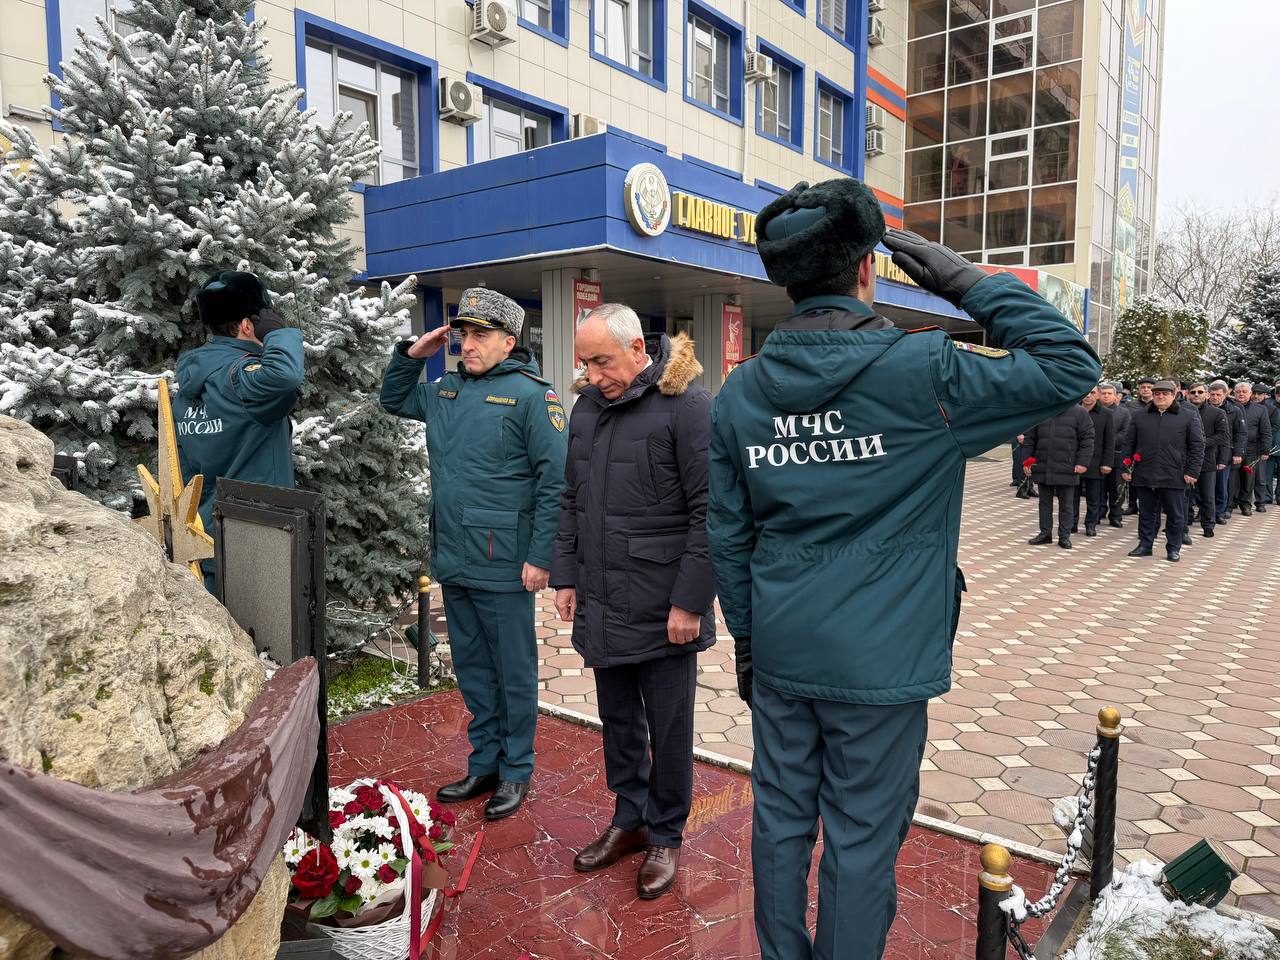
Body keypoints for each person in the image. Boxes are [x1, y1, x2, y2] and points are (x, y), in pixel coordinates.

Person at [706, 177, 1100, 960]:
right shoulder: (924, 370)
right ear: (867, 270)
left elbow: (729, 535)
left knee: (780, 824)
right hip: (881, 662)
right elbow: (1068, 364)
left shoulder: (742, 390)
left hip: (784, 649)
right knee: (859, 840)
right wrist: (965, 279)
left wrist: (750, 643)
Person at [379, 288, 567, 820]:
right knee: (472, 666)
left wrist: (540, 556)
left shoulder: (535, 397)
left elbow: (555, 481)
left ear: (510, 342)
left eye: (481, 335)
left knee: (512, 670)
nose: (468, 345)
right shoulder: (446, 392)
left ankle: (516, 769)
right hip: (455, 553)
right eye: (463, 335)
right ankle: (485, 761)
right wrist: (411, 355)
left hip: (505, 559)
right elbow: (393, 400)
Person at [550, 304, 715, 901]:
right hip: (602, 597)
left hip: (664, 605)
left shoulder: (688, 407)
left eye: (602, 361)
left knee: (669, 728)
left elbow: (711, 512)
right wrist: (565, 575)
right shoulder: (587, 410)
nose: (592, 376)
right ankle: (630, 817)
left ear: (638, 348)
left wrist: (691, 602)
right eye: (586, 363)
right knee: (619, 721)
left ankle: (666, 833)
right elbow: (571, 499)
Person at [176, 271, 304, 592]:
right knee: (260, 641)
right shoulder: (242, 379)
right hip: (257, 543)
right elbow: (286, 376)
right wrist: (277, 332)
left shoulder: (188, 389)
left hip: (203, 541)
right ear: (249, 325)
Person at [1123, 380, 1204, 562]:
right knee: (1146, 512)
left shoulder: (1187, 416)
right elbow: (1129, 443)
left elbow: (1197, 446)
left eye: (1164, 394)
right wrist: (1126, 467)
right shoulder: (1139, 415)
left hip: (1174, 473)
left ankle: (1173, 548)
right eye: (1157, 393)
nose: (1160, 396)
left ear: (1174, 395)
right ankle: (1145, 544)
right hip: (1145, 471)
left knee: (1175, 514)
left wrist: (1192, 471)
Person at [1023, 404, 1093, 548]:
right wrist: (1026, 461)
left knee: (1066, 505)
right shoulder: (1041, 410)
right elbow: (1030, 438)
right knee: (1044, 503)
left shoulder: (1079, 412)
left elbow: (1088, 439)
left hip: (1068, 466)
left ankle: (1064, 536)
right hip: (1043, 465)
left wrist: (1083, 462)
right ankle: (1045, 533)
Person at [1187, 382, 1229, 538]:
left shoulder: (1217, 413)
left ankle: (1208, 525)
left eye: (1200, 392)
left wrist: (1201, 443)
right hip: (1185, 460)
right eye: (1193, 392)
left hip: (1207, 460)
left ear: (1206, 394)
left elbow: (1223, 436)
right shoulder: (1181, 411)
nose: (1196, 394)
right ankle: (1184, 521)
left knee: (1207, 496)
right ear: (1187, 394)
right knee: (1184, 495)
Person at [1073, 386, 1114, 537]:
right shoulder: (1075, 411)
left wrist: (1107, 462)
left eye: (1092, 392)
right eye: (1086, 392)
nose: (1088, 396)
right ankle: (1072, 523)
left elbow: (1110, 440)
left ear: (1097, 395)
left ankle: (1091, 524)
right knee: (1072, 496)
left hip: (1096, 462)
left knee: (1094, 497)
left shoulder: (1106, 414)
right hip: (1075, 461)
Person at [1231, 382, 1272, 515]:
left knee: (1248, 478)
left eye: (1244, 391)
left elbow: (1266, 431)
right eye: (1238, 391)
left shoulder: (1260, 409)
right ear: (1234, 393)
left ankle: (1246, 504)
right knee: (1233, 478)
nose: (1241, 394)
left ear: (1250, 393)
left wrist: (1265, 450)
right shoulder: (1229, 407)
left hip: (1251, 448)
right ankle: (1231, 503)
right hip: (1232, 448)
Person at [1208, 380, 1244, 524]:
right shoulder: (1204, 409)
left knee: (1221, 484)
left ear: (1225, 395)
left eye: (1218, 394)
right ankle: (1206, 511)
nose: (1215, 397)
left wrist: (1238, 453)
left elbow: (1241, 433)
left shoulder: (1234, 410)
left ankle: (1220, 511)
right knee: (1205, 485)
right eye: (1212, 394)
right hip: (1207, 451)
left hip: (1225, 451)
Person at [1098, 382, 1132, 527]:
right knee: (1098, 488)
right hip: (1098, 455)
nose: (1106, 396)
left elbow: (1125, 433)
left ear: (1115, 396)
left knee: (1116, 488)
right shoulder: (1094, 411)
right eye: (1103, 393)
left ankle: (1116, 515)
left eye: (1109, 394)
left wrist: (1108, 442)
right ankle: (1098, 512)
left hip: (1117, 455)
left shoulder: (1124, 413)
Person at [1122, 377, 1155, 515]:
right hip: (1135, 443)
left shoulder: (1157, 404)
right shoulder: (1131, 405)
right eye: (1143, 387)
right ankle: (1132, 503)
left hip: (1152, 443)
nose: (1146, 389)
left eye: (1149, 387)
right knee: (1132, 474)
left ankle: (1149, 504)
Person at [1248, 384, 1275, 511]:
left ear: (1265, 395)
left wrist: (1265, 448)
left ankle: (1260, 502)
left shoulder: (1271, 409)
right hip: (1248, 446)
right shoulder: (1245, 406)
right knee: (1246, 475)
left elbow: (1271, 430)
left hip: (1260, 446)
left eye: (1260, 394)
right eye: (1254, 393)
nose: (1256, 396)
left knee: (1260, 476)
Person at [1265, 383, 1280, 505]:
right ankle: (1267, 495)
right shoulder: (1268, 406)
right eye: (1278, 395)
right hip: (1270, 444)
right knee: (1267, 473)